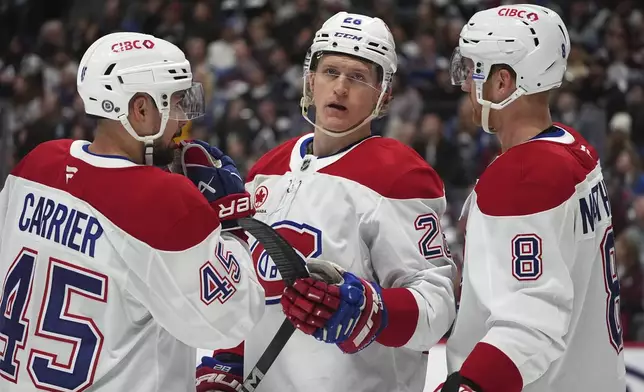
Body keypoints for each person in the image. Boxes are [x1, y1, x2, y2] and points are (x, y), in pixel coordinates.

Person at [195, 11, 457, 392]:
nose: (340, 88)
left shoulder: (398, 174)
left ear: (383, 95)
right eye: (331, 71)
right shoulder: (268, 169)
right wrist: (230, 362)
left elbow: (437, 304)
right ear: (310, 80)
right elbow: (252, 289)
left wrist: (369, 311)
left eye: (358, 77)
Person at [0, 32, 265, 391]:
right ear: (140, 109)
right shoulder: (164, 200)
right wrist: (230, 225)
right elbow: (232, 319)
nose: (181, 122)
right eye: (174, 104)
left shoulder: (36, 165)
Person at [436, 4, 626, 392]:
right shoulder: (575, 148)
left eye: (472, 70)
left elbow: (530, 322)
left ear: (503, 82)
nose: (463, 85)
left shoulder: (524, 175)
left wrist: (470, 386)